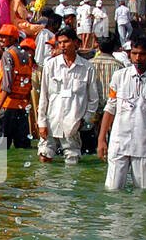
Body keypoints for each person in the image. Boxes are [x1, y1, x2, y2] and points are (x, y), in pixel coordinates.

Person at [97, 33, 146, 190]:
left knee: (143, 192)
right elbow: (110, 108)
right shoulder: (119, 76)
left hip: (144, 145)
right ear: (129, 54)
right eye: (134, 53)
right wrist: (101, 139)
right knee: (113, 190)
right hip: (119, 142)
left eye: (142, 54)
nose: (138, 58)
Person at [37, 25, 99, 165]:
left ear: (76, 43)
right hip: (51, 121)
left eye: (66, 41)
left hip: (73, 124)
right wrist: (41, 123)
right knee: (44, 157)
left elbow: (93, 99)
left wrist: (85, 119)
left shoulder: (87, 68)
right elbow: (44, 97)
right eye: (60, 42)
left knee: (72, 160)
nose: (63, 45)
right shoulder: (50, 65)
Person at [0, 24, 33, 149]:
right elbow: (27, 85)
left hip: (7, 107)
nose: (1, 39)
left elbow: (7, 86)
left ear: (13, 39)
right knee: (23, 147)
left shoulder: (8, 54)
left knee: (0, 150)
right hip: (22, 107)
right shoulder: (26, 55)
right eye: (0, 36)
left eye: (5, 37)